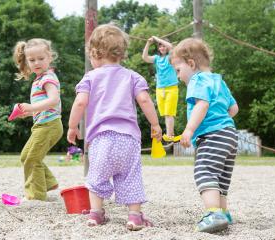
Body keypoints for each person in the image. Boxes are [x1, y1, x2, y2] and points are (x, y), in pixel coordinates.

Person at [67, 24, 162, 231]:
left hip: (101, 139)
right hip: (128, 139)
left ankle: (96, 214)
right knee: (131, 176)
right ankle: (134, 216)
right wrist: (155, 125)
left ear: (95, 53)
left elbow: (80, 103)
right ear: (122, 53)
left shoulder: (90, 77)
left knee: (96, 177)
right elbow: (145, 100)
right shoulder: (133, 76)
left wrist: (72, 127)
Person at [170, 38, 239, 233]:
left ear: (191, 64)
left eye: (178, 70)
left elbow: (202, 104)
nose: (178, 77)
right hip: (229, 135)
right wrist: (221, 119)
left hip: (212, 136)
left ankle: (214, 214)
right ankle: (224, 214)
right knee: (221, 178)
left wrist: (189, 130)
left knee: (205, 172)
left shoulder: (197, 80)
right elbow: (234, 108)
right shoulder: (219, 80)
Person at [13, 38, 63, 201]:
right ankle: (48, 182)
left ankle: (36, 197)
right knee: (26, 156)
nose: (37, 63)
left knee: (32, 158)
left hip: (50, 125)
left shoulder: (48, 77)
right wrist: (28, 112)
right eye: (32, 60)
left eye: (41, 58)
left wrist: (31, 107)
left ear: (50, 57)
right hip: (42, 124)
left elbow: (54, 100)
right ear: (27, 61)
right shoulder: (38, 79)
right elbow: (43, 106)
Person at [142, 35, 180, 142]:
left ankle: (170, 135)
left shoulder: (171, 57)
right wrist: (148, 43)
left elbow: (171, 47)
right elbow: (144, 57)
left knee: (169, 113)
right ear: (158, 48)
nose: (162, 48)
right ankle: (166, 134)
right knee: (163, 114)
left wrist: (157, 39)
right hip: (160, 89)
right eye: (160, 46)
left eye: (164, 46)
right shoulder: (157, 59)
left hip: (171, 88)